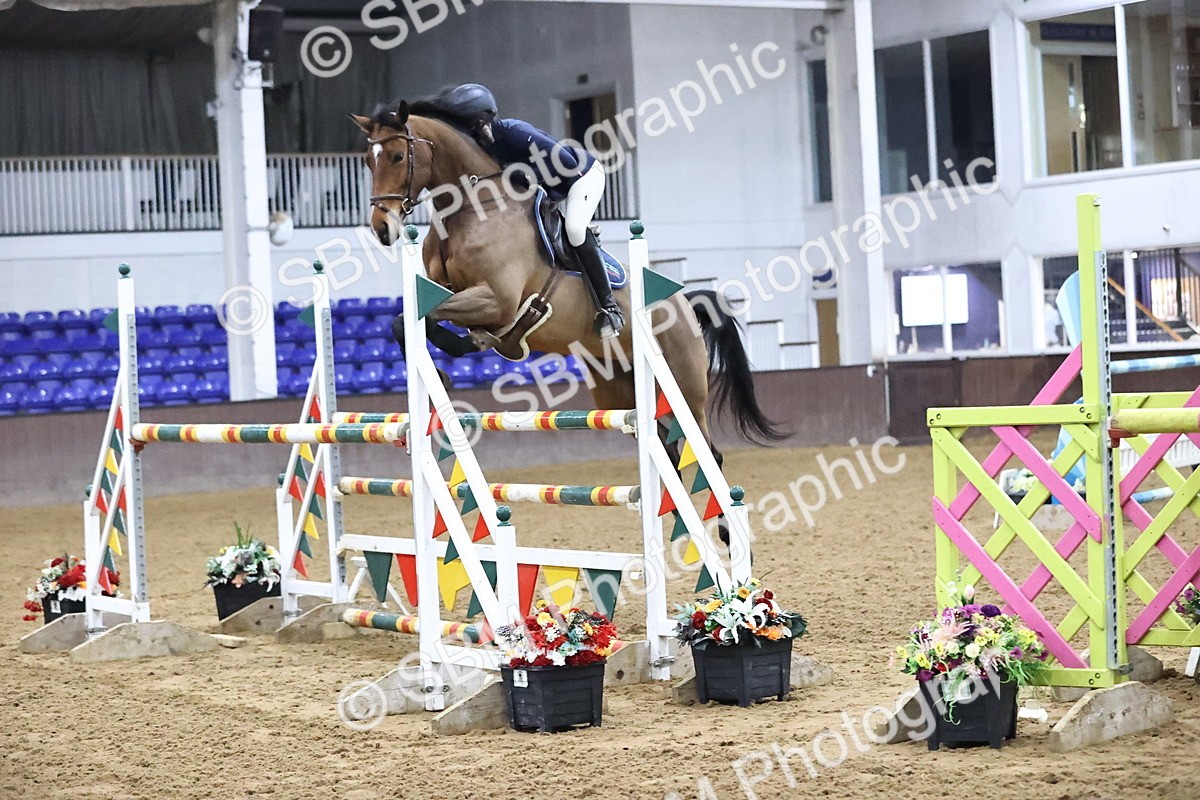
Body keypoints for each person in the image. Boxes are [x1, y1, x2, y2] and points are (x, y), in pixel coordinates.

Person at [418, 84, 624, 340]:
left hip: (582, 176)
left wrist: (524, 176)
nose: (472, 134)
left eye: (475, 125)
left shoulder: (515, 132)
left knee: (574, 229)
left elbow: (566, 164)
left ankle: (610, 309)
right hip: (548, 187)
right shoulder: (483, 147)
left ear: (486, 119)